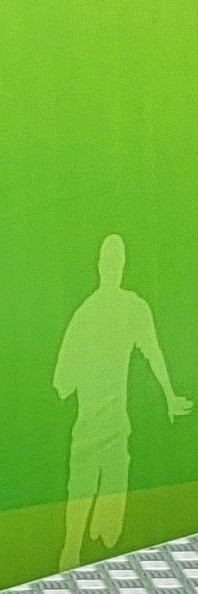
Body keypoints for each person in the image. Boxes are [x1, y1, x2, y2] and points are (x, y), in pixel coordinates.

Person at [54, 236, 190, 572]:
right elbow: (62, 382)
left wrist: (170, 397)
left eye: (115, 261)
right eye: (111, 261)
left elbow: (62, 385)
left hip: (112, 429)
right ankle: (75, 547)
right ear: (104, 266)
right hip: (93, 430)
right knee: (89, 531)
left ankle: (85, 540)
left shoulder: (114, 310)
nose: (113, 267)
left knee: (109, 534)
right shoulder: (96, 313)